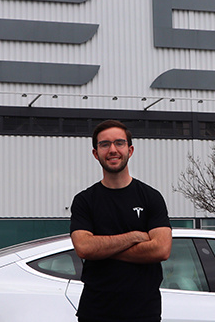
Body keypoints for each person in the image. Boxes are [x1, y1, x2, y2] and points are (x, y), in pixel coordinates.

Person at [69, 119, 172, 322]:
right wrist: (134, 237)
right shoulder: (84, 201)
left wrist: (103, 250)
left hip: (144, 313)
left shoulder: (151, 197)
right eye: (104, 144)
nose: (112, 150)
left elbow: (161, 250)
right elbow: (84, 248)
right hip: (95, 312)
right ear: (95, 153)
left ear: (130, 150)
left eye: (119, 143)